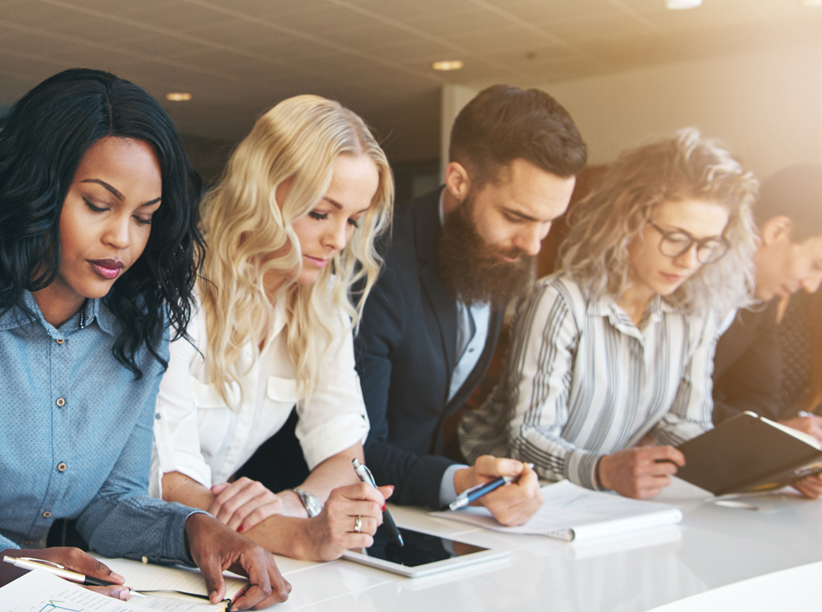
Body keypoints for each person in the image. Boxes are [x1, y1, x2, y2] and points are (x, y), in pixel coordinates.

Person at [0, 70, 289, 609]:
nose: (122, 238)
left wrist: (195, 528)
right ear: (36, 191)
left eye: (144, 217)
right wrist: (26, 567)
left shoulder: (139, 325)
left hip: (18, 591)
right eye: (98, 205)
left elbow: (111, 501)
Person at [247, 86, 578, 524]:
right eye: (516, 217)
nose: (533, 244)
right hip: (292, 511)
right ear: (458, 181)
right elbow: (361, 445)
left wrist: (474, 480)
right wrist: (458, 479)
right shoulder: (374, 260)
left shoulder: (494, 257)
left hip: (406, 516)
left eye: (548, 222)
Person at [151, 95, 394, 561]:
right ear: (263, 192)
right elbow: (170, 483)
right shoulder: (178, 290)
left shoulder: (323, 304)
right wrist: (299, 535)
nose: (338, 239)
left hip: (215, 550)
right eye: (320, 213)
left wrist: (288, 504)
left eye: (353, 220)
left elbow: (346, 457)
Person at [460, 129, 757, 500]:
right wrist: (603, 470)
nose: (689, 260)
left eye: (707, 244)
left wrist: (767, 469)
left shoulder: (695, 313)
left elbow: (685, 426)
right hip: (498, 493)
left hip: (597, 501)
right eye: (676, 238)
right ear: (626, 221)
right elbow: (529, 437)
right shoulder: (560, 300)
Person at [712, 165, 822, 433]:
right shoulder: (680, 277)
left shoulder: (763, 297)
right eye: (816, 265)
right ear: (776, 231)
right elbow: (666, 407)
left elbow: (761, 404)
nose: (812, 286)